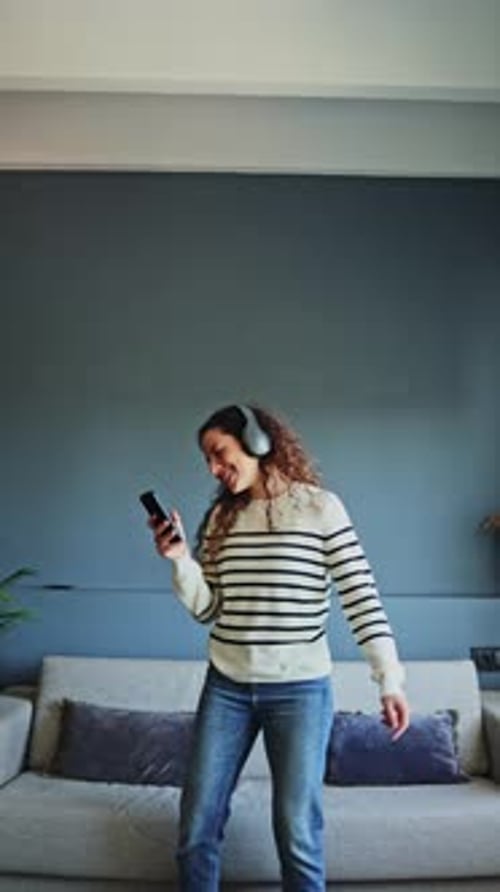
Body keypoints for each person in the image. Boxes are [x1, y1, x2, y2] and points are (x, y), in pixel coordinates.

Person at [149, 403, 410, 892]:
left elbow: (360, 596)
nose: (213, 468)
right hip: (226, 687)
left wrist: (389, 680)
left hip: (300, 693)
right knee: (196, 827)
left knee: (297, 833)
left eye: (219, 453)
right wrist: (181, 560)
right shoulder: (221, 520)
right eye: (206, 459)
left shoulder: (320, 508)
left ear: (257, 442)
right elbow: (208, 610)